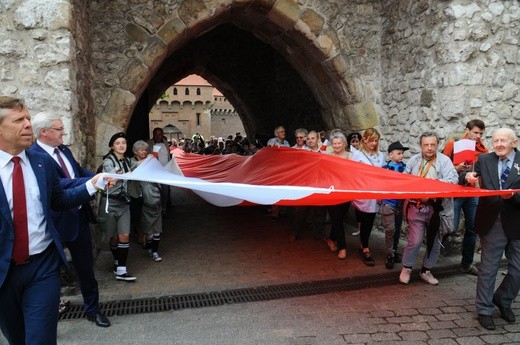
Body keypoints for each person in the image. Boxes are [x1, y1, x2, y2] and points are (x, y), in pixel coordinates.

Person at [0, 96, 108, 344]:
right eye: (18, 120)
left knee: (40, 339)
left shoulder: (41, 162)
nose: (28, 124)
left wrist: (93, 186)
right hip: (3, 272)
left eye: (28, 118)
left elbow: (58, 200)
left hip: (42, 267)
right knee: (17, 338)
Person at [29, 112, 111, 327]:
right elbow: (61, 184)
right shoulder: (34, 156)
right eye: (58, 129)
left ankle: (93, 310)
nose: (63, 132)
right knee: (50, 273)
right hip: (55, 224)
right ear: (43, 132)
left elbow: (77, 171)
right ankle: (49, 315)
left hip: (78, 218)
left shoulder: (63, 149)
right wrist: (93, 182)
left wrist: (96, 175)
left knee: (85, 269)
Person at [465, 128, 520, 330]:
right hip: (492, 221)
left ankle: (503, 300)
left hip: (517, 221)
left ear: (514, 142)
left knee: (518, 269)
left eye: (503, 140)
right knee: (488, 269)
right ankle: (484, 309)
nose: (498, 144)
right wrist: (467, 178)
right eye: (495, 140)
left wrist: (513, 197)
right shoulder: (484, 160)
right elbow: (469, 175)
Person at [399, 132, 458, 285]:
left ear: (437, 145)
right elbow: (405, 180)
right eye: (426, 145)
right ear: (421, 146)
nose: (430, 148)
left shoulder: (445, 161)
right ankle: (407, 268)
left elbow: (453, 180)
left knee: (435, 242)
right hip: (416, 206)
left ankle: (426, 271)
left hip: (437, 210)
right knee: (415, 240)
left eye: (433, 144)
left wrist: (436, 182)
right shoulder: (413, 160)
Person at [442, 119, 489, 275]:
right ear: (467, 130)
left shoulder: (483, 150)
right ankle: (434, 248)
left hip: (472, 193)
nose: (478, 136)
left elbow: (486, 171)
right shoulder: (453, 144)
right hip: (455, 191)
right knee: (451, 227)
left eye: (481, 134)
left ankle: (466, 264)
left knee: (472, 228)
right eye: (475, 132)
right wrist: (456, 168)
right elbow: (442, 166)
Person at [98, 132, 137, 282]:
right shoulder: (109, 161)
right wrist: (126, 173)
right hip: (110, 202)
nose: (121, 146)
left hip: (123, 204)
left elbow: (139, 166)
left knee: (124, 235)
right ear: (112, 146)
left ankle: (121, 269)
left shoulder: (127, 161)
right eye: (118, 143)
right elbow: (110, 173)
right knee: (113, 237)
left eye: (124, 143)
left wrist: (148, 161)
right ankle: (116, 261)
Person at [351, 128, 385, 266]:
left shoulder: (381, 155)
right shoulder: (358, 155)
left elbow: (382, 176)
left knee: (370, 220)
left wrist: (381, 193)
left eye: (376, 140)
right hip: (362, 191)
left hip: (375, 191)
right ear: (365, 139)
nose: (374, 143)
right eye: (371, 140)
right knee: (363, 219)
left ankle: (363, 244)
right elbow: (353, 174)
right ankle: (364, 246)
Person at [380, 141, 409, 269]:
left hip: (400, 203)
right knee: (390, 229)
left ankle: (393, 250)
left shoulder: (406, 168)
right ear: (390, 155)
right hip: (388, 203)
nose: (401, 155)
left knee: (396, 229)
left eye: (402, 153)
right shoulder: (384, 169)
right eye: (399, 153)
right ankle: (389, 255)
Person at [326, 132, 353, 259]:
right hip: (332, 192)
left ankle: (331, 239)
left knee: (339, 219)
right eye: (334, 143)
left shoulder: (351, 156)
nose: (336, 145)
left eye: (339, 143)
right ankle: (342, 247)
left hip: (346, 192)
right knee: (337, 219)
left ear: (344, 144)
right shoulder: (327, 156)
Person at [147, 127, 171, 215]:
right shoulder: (149, 143)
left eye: (160, 134)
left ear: (162, 135)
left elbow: (168, 156)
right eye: (156, 134)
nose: (158, 136)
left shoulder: (165, 142)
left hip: (165, 171)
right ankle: (157, 210)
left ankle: (164, 209)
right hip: (155, 171)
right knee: (156, 192)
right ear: (153, 135)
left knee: (166, 191)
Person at [347, 132, 363, 235]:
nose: (355, 144)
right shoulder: (348, 154)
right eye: (353, 142)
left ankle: (361, 227)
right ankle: (358, 227)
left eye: (357, 141)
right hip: (351, 183)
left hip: (362, 183)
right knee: (356, 207)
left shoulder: (364, 153)